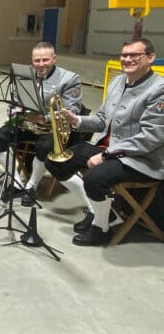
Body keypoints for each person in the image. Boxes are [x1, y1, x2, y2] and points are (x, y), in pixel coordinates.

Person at [46, 37, 164, 246]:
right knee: (56, 161)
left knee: (94, 178)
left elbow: (151, 138)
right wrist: (77, 120)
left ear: (151, 58)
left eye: (135, 55)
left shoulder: (158, 88)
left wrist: (107, 155)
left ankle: (101, 229)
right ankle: (102, 212)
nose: (127, 59)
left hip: (140, 159)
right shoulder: (118, 81)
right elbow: (102, 119)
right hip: (108, 148)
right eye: (124, 55)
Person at [0, 41, 83, 204]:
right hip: (26, 123)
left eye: (45, 60)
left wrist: (44, 118)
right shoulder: (24, 74)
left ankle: (31, 186)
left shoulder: (70, 79)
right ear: (31, 60)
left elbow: (72, 110)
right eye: (36, 61)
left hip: (51, 128)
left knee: (44, 147)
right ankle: (16, 182)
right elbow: (15, 100)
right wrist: (15, 111)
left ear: (54, 58)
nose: (41, 65)